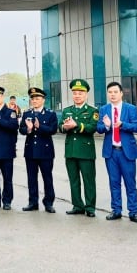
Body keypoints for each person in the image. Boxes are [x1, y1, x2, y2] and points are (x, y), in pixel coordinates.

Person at [97, 82, 137, 223]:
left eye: (115, 92)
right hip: (111, 152)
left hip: (126, 151)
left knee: (130, 183)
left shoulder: (130, 108)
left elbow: (136, 126)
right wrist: (106, 125)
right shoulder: (104, 109)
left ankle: (133, 212)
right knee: (114, 182)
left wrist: (123, 124)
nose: (112, 95)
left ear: (121, 93)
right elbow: (99, 128)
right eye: (110, 92)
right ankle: (116, 210)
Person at [60, 79, 98, 218]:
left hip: (85, 152)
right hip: (70, 151)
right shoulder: (67, 111)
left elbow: (92, 128)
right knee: (74, 180)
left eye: (80, 93)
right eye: (75, 93)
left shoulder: (93, 111)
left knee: (89, 181)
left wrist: (76, 125)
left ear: (86, 95)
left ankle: (90, 207)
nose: (77, 96)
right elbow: (60, 126)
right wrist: (64, 127)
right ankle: (77, 205)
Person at [19, 87, 58, 213]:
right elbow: (21, 129)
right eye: (32, 99)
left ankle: (48, 203)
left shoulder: (50, 113)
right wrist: (28, 129)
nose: (34, 101)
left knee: (47, 177)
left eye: (37, 98)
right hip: (30, 151)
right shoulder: (27, 113)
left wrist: (39, 126)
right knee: (31, 178)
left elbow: (53, 130)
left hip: (45, 151)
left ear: (43, 100)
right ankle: (33, 202)